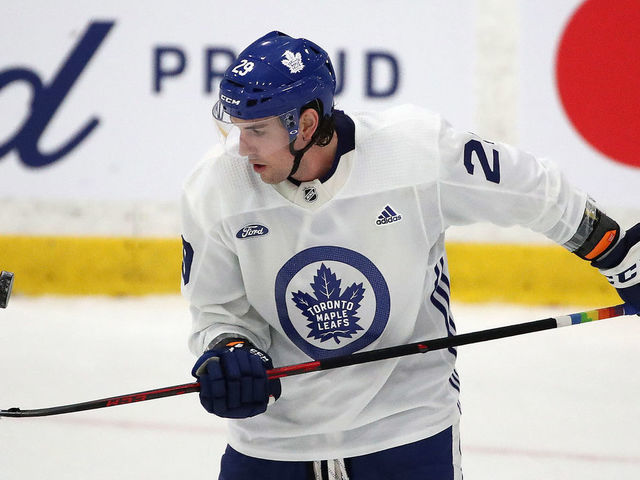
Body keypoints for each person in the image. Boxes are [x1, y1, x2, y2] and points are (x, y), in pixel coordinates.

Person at [180, 31, 640, 480]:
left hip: (406, 430)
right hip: (271, 446)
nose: (241, 147)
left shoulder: (416, 153)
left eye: (256, 130)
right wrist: (229, 349)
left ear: (305, 124)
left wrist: (617, 253)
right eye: (237, 129)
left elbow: (535, 189)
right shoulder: (216, 186)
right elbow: (216, 311)